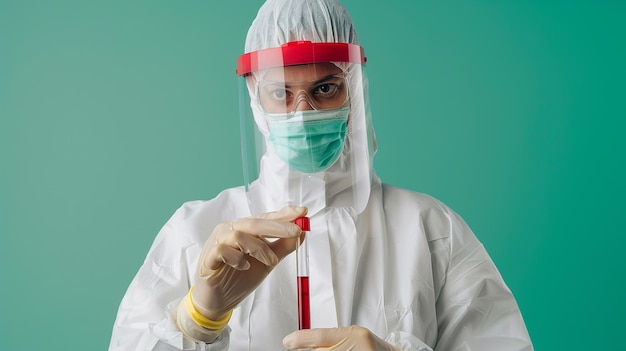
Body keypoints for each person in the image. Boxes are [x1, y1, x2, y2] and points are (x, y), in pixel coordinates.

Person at [109, 0, 533, 350]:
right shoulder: (195, 235)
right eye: (281, 93)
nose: (302, 113)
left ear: (356, 88)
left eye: (325, 89)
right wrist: (199, 318)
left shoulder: (431, 232)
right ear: (255, 99)